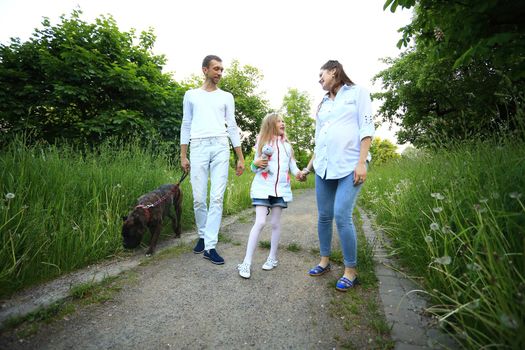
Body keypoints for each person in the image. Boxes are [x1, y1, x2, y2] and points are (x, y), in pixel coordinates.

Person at [301, 60, 374, 291]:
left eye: (321, 74)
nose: (319, 79)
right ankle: (324, 261)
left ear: (334, 71)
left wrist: (361, 163)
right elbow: (320, 141)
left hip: (350, 165)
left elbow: (367, 128)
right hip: (324, 166)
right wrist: (308, 168)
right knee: (324, 216)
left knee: (342, 216)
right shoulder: (322, 103)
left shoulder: (358, 93)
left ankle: (350, 271)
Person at [180, 54, 245, 265]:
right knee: (199, 198)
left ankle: (210, 246)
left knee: (216, 198)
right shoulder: (191, 95)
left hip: (220, 146)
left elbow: (232, 127)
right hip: (198, 146)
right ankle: (202, 234)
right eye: (216, 69)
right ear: (205, 70)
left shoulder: (226, 97)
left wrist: (240, 157)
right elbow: (186, 124)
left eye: (221, 69)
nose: (219, 73)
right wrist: (183, 154)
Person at [237, 113, 305, 279]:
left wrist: (299, 174)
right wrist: (255, 163)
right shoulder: (263, 143)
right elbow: (254, 167)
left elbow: (293, 167)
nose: (282, 123)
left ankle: (272, 257)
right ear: (270, 125)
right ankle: (246, 262)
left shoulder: (287, 147)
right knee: (260, 222)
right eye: (279, 121)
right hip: (263, 187)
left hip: (280, 190)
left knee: (275, 222)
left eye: (283, 121)